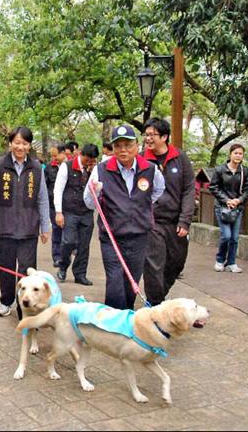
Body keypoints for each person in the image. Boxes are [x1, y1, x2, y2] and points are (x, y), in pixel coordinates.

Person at [84, 125, 165, 310]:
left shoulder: (150, 170)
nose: (123, 150)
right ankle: (112, 323)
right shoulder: (101, 170)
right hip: (112, 237)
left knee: (132, 282)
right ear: (112, 148)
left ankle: (125, 319)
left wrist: (139, 206)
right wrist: (94, 193)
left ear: (137, 145)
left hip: (139, 236)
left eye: (128, 145)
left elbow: (158, 190)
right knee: (114, 281)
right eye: (118, 145)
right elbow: (89, 203)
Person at [0, 126, 51, 317]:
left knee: (27, 271)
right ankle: (6, 300)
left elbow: (42, 198)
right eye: (17, 142)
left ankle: (25, 305)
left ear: (29, 145)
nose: (20, 147)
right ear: (10, 143)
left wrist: (45, 226)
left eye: (25, 143)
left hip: (29, 228)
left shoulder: (37, 168)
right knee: (6, 269)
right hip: (4, 227)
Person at [142, 118, 195, 306]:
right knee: (154, 265)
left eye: (152, 135)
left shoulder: (180, 159)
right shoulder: (142, 160)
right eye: (146, 134)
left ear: (164, 137)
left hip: (176, 223)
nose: (148, 138)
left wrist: (185, 220)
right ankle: (154, 303)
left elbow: (189, 190)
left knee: (176, 263)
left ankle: (159, 297)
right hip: (152, 222)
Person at [55, 144, 99, 286]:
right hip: (70, 211)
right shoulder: (66, 167)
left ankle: (80, 274)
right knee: (69, 242)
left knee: (84, 245)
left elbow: (98, 189)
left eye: (92, 161)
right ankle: (63, 265)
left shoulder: (94, 169)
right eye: (87, 160)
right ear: (80, 154)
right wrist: (59, 212)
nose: (89, 163)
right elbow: (58, 190)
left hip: (87, 212)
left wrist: (93, 174)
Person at [209, 143, 248, 273]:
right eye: (236, 153)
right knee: (226, 236)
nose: (238, 156)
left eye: (240, 153)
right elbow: (213, 187)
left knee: (234, 237)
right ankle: (220, 259)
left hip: (237, 208)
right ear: (230, 154)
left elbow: (247, 189)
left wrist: (238, 200)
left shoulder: (244, 171)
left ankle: (231, 262)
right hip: (222, 207)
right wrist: (226, 200)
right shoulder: (220, 170)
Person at [44, 145, 66, 267]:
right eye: (52, 156)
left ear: (63, 153)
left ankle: (65, 256)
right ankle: (57, 257)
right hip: (53, 204)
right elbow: (45, 184)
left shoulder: (70, 166)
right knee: (57, 230)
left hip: (67, 205)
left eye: (55, 155)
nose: (54, 158)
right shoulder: (49, 167)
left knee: (68, 232)